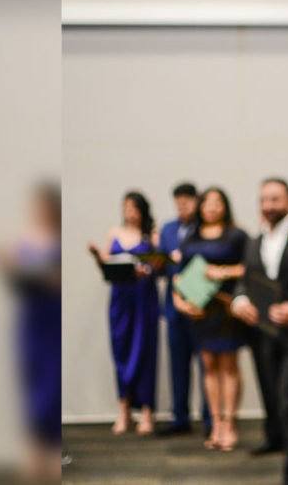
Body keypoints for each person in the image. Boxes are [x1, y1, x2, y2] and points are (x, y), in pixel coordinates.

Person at [230, 178, 288, 483]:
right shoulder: (256, 240)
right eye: (264, 200)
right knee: (277, 403)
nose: (269, 206)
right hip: (265, 336)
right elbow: (246, 279)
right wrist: (240, 298)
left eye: (275, 199)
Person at [172, 187, 249, 452]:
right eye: (208, 202)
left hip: (226, 308)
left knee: (228, 365)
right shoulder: (191, 236)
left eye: (218, 202)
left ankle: (230, 422)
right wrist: (180, 301)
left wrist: (223, 272)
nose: (212, 207)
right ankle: (215, 422)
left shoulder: (236, 235)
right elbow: (180, 274)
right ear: (200, 206)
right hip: (200, 309)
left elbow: (249, 267)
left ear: (226, 206)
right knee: (208, 365)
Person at [0, 182, 62, 481]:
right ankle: (34, 454)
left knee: (51, 387)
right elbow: (15, 279)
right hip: (31, 319)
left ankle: (51, 455)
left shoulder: (57, 239)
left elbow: (57, 281)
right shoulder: (25, 239)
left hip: (53, 317)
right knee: (30, 383)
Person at [89, 191, 160, 436]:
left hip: (144, 297)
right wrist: (97, 256)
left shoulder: (151, 234)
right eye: (125, 207)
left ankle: (148, 411)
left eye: (133, 207)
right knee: (121, 350)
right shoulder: (114, 233)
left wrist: (148, 268)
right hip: (121, 298)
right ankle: (124, 409)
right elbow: (106, 268)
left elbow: (158, 266)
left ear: (142, 210)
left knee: (145, 351)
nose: (129, 212)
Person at [157, 182, 209, 437]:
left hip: (200, 304)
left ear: (196, 201)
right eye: (178, 202)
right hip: (173, 306)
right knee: (177, 365)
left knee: (207, 364)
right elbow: (160, 266)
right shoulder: (167, 229)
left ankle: (211, 418)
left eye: (187, 201)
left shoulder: (205, 228)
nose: (183, 206)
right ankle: (180, 417)